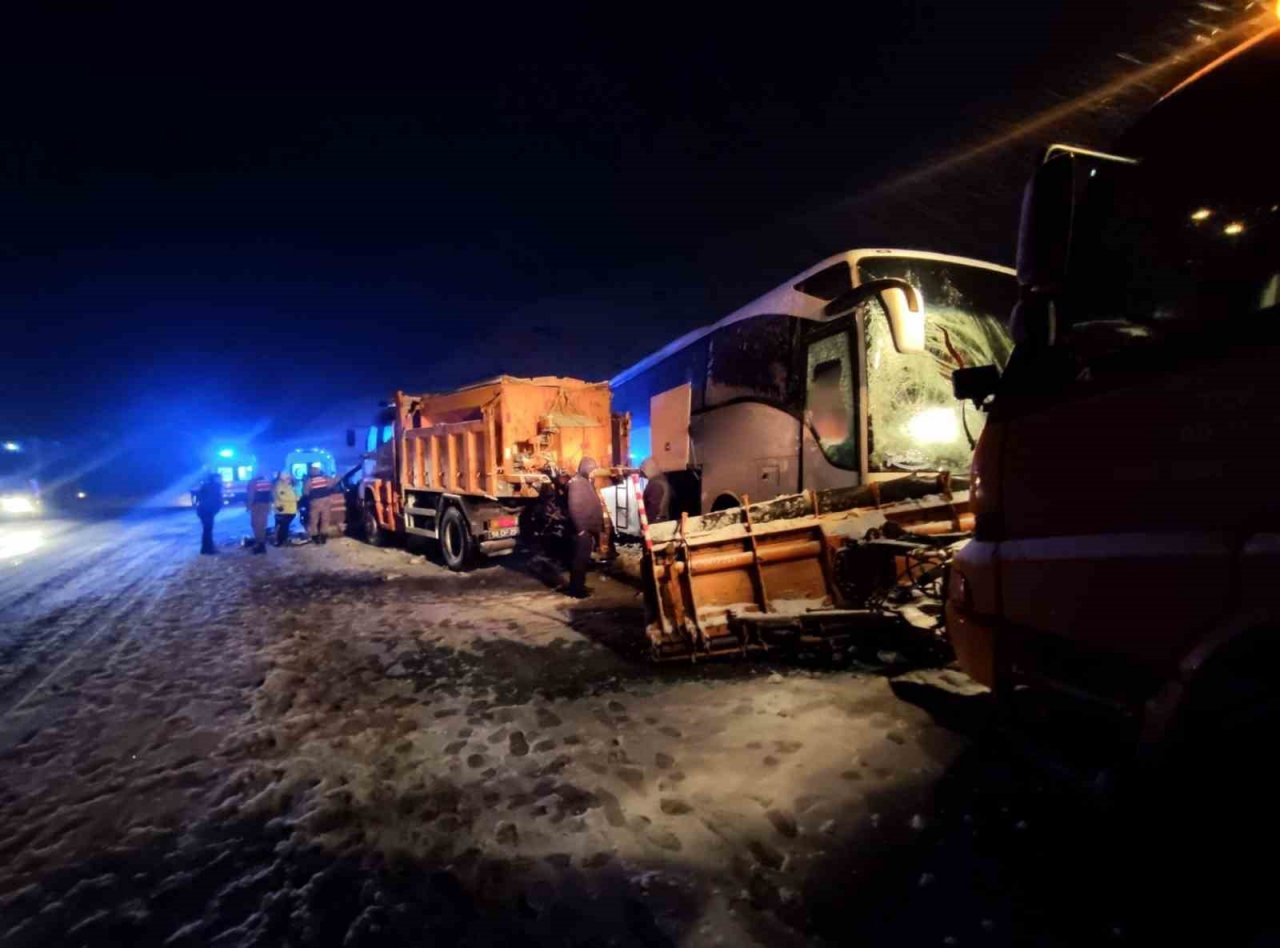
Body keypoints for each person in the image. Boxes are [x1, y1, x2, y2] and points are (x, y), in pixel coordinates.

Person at [564, 456, 604, 598]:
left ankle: (580, 586)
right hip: (582, 531)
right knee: (579, 561)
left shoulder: (585, 481)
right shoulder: (576, 484)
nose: (593, 472)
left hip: (587, 530)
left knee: (583, 560)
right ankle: (576, 590)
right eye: (592, 469)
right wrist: (580, 529)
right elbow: (574, 507)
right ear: (585, 468)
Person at [304, 463, 334, 545]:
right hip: (326, 501)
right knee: (325, 519)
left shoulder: (309, 481)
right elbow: (331, 485)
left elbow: (306, 493)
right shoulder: (325, 478)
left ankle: (315, 538)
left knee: (314, 520)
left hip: (314, 502)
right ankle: (324, 537)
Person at [195, 472, 223, 555]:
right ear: (214, 479)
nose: (221, 480)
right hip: (207, 510)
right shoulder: (215, 486)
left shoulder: (206, 485)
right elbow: (216, 499)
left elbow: (199, 497)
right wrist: (214, 509)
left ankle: (206, 548)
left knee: (206, 530)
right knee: (208, 530)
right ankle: (208, 549)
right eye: (219, 478)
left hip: (203, 510)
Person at [245, 472, 273, 554]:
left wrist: (249, 506)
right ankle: (262, 544)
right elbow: (270, 495)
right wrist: (269, 507)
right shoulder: (267, 482)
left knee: (256, 525)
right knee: (262, 525)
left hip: (257, 505)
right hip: (265, 505)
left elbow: (251, 495)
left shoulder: (253, 482)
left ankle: (259, 545)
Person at [640, 456, 672, 524]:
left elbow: (653, 508)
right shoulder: (661, 480)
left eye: (643, 469)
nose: (642, 473)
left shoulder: (655, 484)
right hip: (661, 521)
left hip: (655, 523)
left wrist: (645, 523)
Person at [273, 471, 298, 547]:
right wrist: (295, 498)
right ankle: (280, 541)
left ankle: (282, 540)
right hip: (283, 509)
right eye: (288, 478)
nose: (289, 479)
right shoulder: (279, 485)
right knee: (282, 526)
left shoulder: (289, 485)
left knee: (284, 526)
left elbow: (296, 493)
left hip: (290, 509)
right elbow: (282, 496)